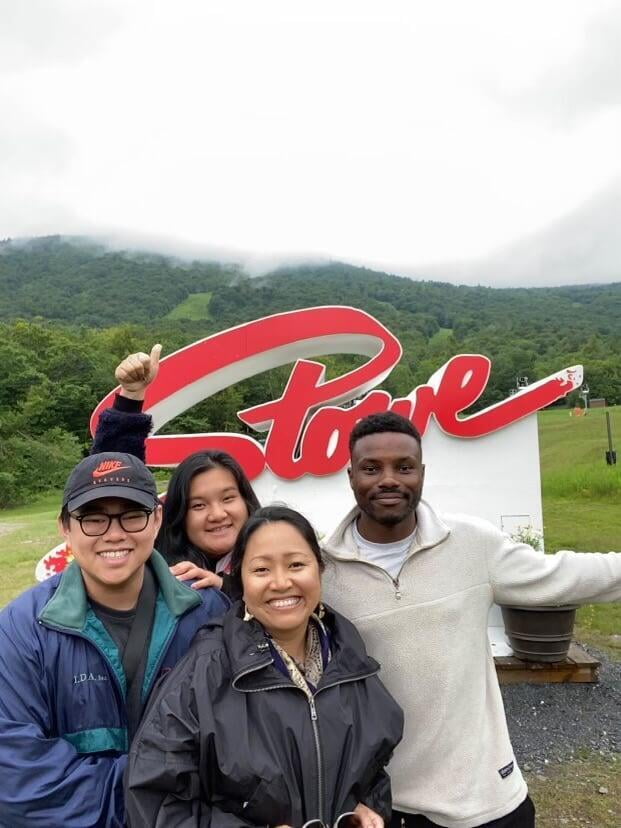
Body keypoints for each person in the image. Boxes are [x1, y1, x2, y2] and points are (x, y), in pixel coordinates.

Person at [320, 412, 621, 828]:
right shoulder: (321, 570)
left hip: (487, 800)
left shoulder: (471, 544)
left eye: (404, 467)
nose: (389, 479)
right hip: (385, 804)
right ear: (351, 475)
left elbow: (563, 575)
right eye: (372, 468)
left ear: (422, 473)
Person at [125, 506, 404, 828]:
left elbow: (373, 768)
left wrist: (366, 805)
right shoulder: (205, 671)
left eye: (297, 565)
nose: (281, 582)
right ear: (240, 579)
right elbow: (153, 799)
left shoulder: (350, 659)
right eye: (261, 570)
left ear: (320, 568)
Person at [0, 452, 229, 827]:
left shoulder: (207, 613)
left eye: (132, 514)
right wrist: (150, 800)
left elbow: (243, 743)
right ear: (65, 528)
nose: (114, 533)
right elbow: (17, 779)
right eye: (93, 518)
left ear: (156, 520)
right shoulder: (21, 630)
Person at [92, 345, 260, 596]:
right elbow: (113, 482)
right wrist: (130, 397)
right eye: (198, 505)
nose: (217, 514)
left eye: (228, 498)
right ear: (179, 515)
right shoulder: (158, 570)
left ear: (247, 501)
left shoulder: (276, 548)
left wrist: (225, 587)